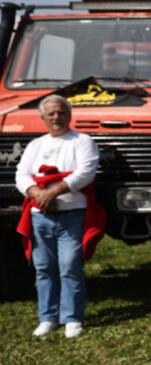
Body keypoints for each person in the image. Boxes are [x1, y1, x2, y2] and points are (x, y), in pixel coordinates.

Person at [15, 95, 102, 339]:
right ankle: (48, 317)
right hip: (39, 215)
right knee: (43, 268)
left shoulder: (83, 141)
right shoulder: (35, 145)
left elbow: (85, 173)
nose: (57, 117)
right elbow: (22, 175)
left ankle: (72, 318)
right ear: (43, 118)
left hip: (72, 215)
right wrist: (37, 194)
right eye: (51, 114)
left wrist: (53, 191)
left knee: (70, 265)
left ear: (70, 115)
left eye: (61, 112)